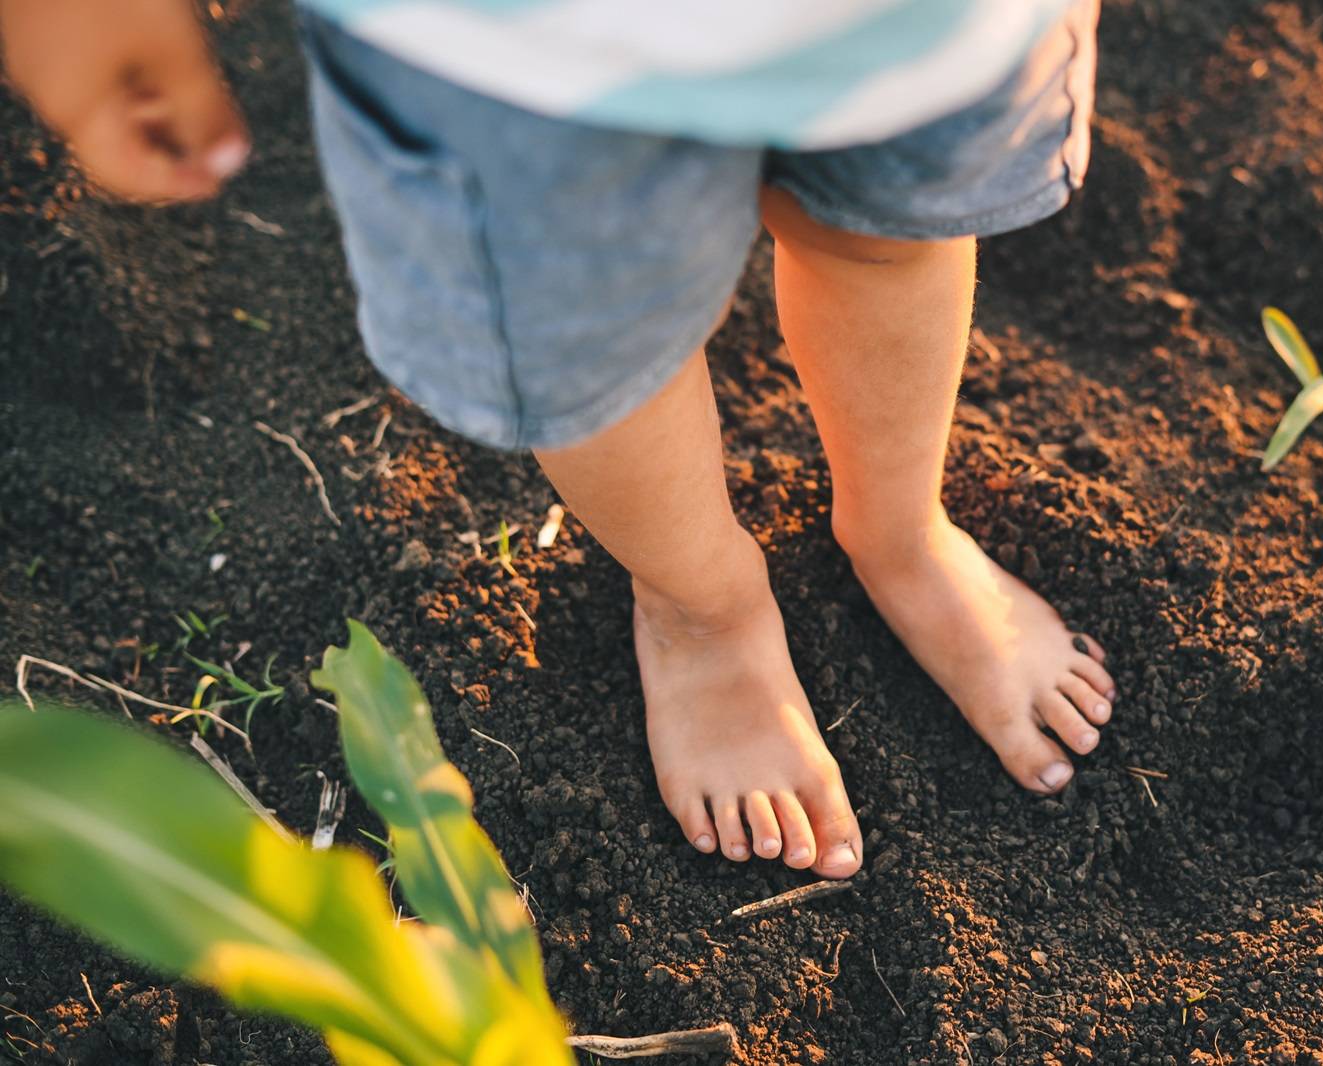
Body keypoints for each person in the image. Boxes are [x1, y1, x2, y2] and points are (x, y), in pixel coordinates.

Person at [0, 0, 1115, 881]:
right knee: (596, 346)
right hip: (515, 53)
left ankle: (900, 528)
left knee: (886, 233)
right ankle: (704, 609)